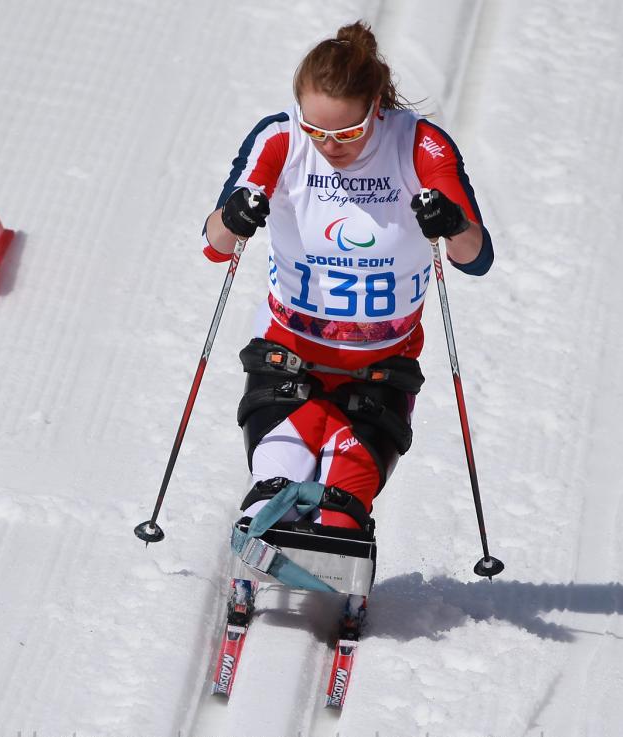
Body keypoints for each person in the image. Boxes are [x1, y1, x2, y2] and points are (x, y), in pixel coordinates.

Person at [203, 21, 494, 631]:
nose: (330, 143)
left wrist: (450, 220)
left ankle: (341, 556)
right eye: (317, 128)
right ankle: (265, 540)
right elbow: (214, 242)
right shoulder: (280, 140)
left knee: (341, 512)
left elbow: (475, 257)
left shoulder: (420, 146)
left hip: (378, 362)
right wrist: (235, 214)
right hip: (292, 351)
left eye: (349, 130)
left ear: (377, 108)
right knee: (275, 490)